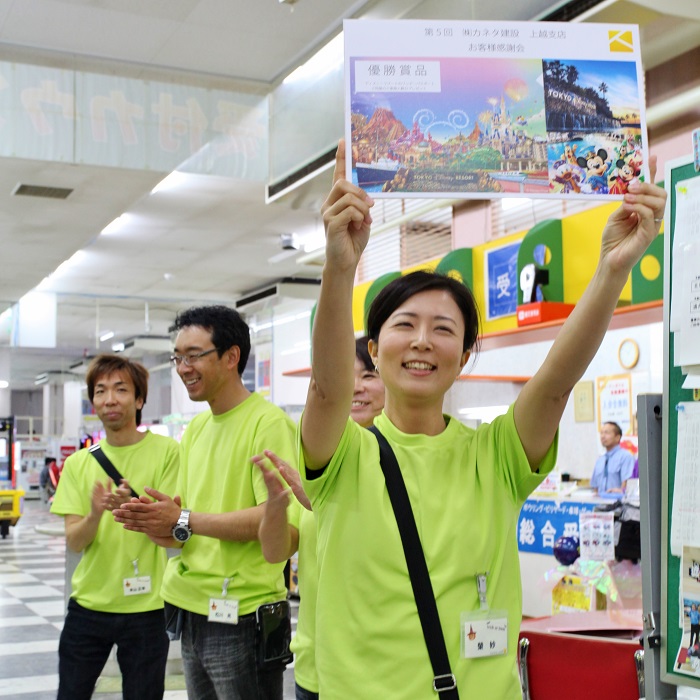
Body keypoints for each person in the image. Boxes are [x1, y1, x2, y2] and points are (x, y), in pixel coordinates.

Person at [295, 140, 666, 699]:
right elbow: (326, 391)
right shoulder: (345, 452)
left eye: (444, 329)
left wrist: (613, 269)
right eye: (405, 325)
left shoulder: (495, 455)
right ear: (373, 350)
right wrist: (338, 266)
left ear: (465, 356)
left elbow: (556, 383)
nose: (423, 340)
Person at [113, 305, 297, 700]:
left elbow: (276, 520)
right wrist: (157, 524)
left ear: (231, 357)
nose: (182, 368)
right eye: (177, 357)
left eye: (194, 355)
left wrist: (183, 518)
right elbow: (185, 527)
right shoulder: (196, 428)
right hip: (189, 609)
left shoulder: (268, 423)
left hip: (243, 614)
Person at [255, 336, 385, 700]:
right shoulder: (311, 458)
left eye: (370, 375)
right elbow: (276, 551)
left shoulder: (403, 457)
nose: (356, 386)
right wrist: (276, 507)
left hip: (387, 667)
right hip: (317, 662)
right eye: (346, 374)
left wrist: (319, 502)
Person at [50, 354, 179, 700]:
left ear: (138, 400)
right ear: (93, 401)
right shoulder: (78, 464)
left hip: (148, 608)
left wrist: (132, 509)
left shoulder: (168, 452)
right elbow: (75, 542)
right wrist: (94, 514)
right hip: (88, 606)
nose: (109, 399)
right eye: (101, 390)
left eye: (121, 390)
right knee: (71, 693)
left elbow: (172, 525)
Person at [590, 421, 635, 495]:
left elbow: (627, 485)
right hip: (601, 503)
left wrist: (620, 491)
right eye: (601, 433)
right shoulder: (600, 460)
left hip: (618, 503)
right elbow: (595, 488)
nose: (603, 436)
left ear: (617, 437)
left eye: (607, 433)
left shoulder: (626, 457)